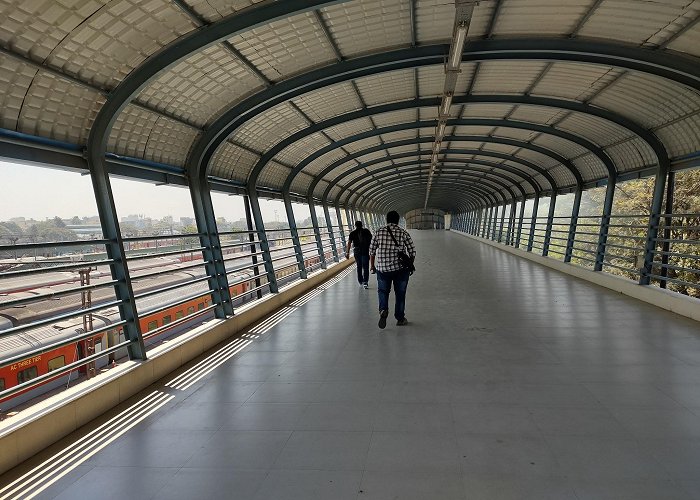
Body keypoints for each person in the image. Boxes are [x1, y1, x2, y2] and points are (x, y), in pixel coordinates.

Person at [369, 211, 416, 328]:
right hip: (400, 270)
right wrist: (410, 264)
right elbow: (412, 251)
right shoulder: (403, 232)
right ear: (398, 220)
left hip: (383, 269)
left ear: (386, 220)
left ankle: (383, 309)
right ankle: (400, 318)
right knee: (400, 294)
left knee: (383, 291)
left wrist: (372, 266)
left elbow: (372, 251)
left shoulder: (378, 232)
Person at [345, 221, 372, 288]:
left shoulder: (352, 233)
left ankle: (360, 281)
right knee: (365, 267)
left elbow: (349, 243)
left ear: (355, 225)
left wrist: (347, 252)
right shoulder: (366, 231)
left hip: (357, 251)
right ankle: (365, 282)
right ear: (362, 225)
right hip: (365, 250)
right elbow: (371, 240)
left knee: (359, 266)